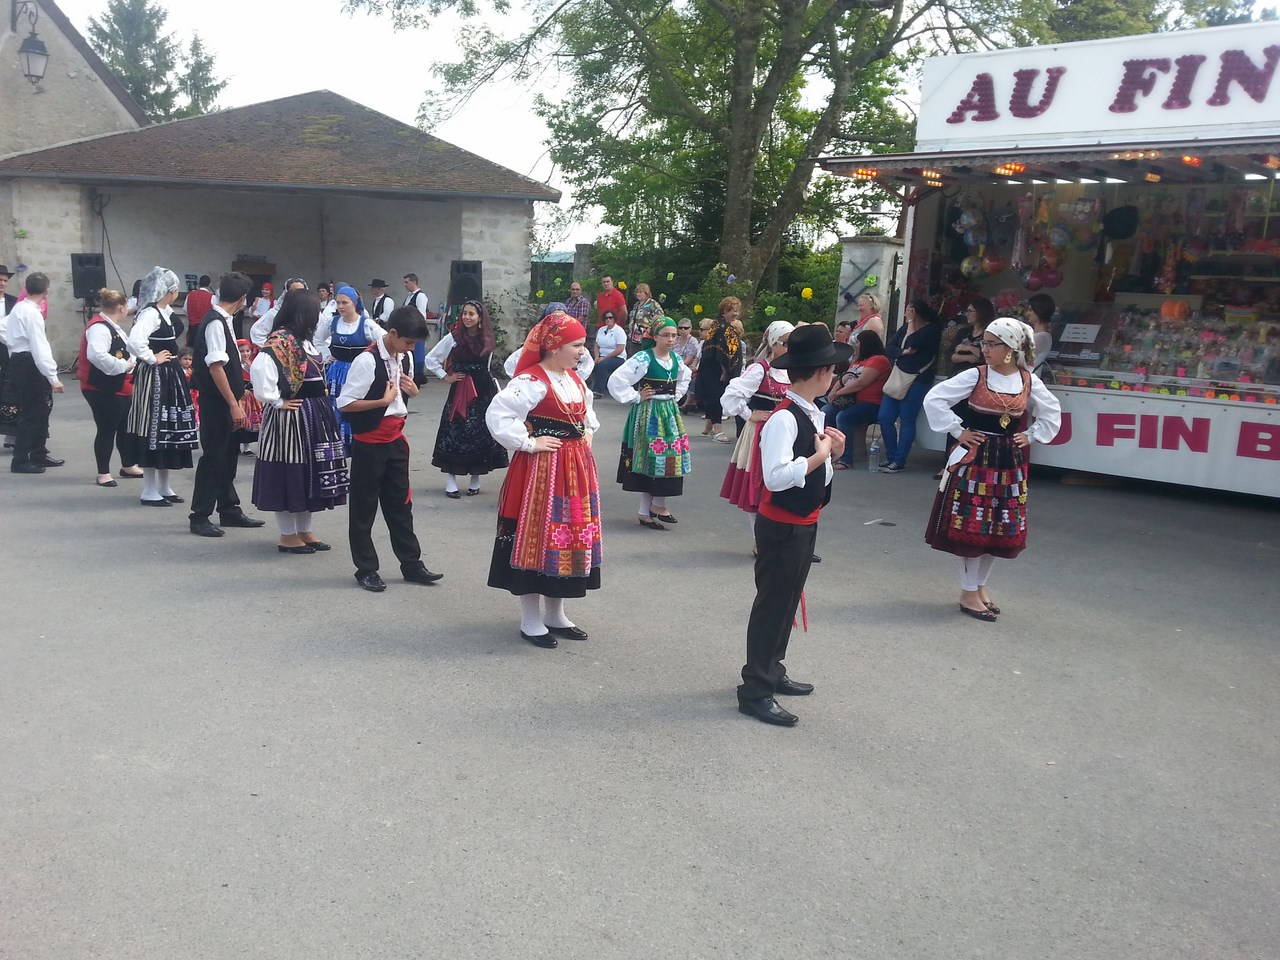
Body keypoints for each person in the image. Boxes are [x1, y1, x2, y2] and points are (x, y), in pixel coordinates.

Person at [736, 324, 850, 727]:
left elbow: (819, 480)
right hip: (782, 525)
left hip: (802, 521)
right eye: (832, 370)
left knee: (786, 601)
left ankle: (772, 669)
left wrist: (831, 455)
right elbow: (777, 477)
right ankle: (755, 690)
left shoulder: (810, 412)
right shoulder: (785, 418)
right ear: (820, 372)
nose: (833, 376)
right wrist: (820, 456)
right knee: (772, 605)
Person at [923, 318, 1061, 622]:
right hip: (977, 457)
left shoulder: (1028, 380)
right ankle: (967, 591)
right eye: (983, 343)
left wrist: (1033, 435)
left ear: (1011, 348)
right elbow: (935, 398)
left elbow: (1051, 411)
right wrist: (958, 431)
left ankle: (979, 588)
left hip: (1008, 461)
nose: (984, 349)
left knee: (998, 526)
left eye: (991, 343)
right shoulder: (976, 375)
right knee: (972, 525)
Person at [485, 312, 601, 648]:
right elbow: (498, 413)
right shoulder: (531, 381)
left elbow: (587, 415)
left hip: (574, 470)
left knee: (566, 538)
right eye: (577, 345)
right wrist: (527, 442)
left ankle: (555, 613)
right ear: (553, 346)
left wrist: (588, 432)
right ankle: (530, 618)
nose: (582, 351)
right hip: (541, 472)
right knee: (536, 536)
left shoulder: (574, 380)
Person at [337, 307, 442, 593]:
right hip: (369, 443)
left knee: (400, 506)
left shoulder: (404, 357)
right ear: (392, 333)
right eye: (408, 342)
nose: (411, 348)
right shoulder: (366, 361)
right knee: (364, 508)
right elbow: (344, 404)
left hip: (395, 440)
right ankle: (366, 568)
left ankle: (411, 564)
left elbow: (401, 397)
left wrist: (412, 393)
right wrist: (382, 401)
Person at [251, 289, 350, 555]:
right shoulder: (281, 341)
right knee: (289, 472)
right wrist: (275, 400)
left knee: (310, 473)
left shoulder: (302, 341)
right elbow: (260, 369)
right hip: (291, 418)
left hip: (314, 414)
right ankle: (287, 535)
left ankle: (304, 529)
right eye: (315, 311)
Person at [188, 271, 265, 537]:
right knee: (214, 456)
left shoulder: (225, 320)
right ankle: (199, 515)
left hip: (228, 399)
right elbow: (216, 367)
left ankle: (229, 509)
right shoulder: (215, 323)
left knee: (228, 455)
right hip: (217, 401)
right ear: (243, 298)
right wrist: (233, 403)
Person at [608, 315, 692, 529]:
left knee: (667, 458)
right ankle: (654, 507)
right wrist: (636, 397)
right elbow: (617, 380)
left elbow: (685, 377)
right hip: (648, 413)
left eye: (674, 335)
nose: (671, 339)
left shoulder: (676, 360)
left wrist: (676, 395)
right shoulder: (644, 358)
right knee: (651, 459)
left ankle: (647, 510)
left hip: (668, 413)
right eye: (666, 335)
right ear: (655, 336)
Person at [124, 267, 199, 503]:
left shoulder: (163, 310)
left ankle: (164, 486)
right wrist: (151, 358)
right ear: (171, 290)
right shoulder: (150, 314)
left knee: (168, 430)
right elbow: (134, 341)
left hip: (169, 375)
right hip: (156, 377)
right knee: (153, 428)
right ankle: (148, 489)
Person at [423, 298, 509, 498]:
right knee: (456, 430)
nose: (467, 317)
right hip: (461, 390)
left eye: (471, 314)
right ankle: (451, 480)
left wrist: (494, 392)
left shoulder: (487, 338)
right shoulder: (454, 337)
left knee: (480, 433)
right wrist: (447, 376)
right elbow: (431, 359)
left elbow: (487, 368)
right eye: (464, 314)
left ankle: (475, 479)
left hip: (483, 390)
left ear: (480, 318)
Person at [719, 320, 793, 538]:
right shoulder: (760, 369)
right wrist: (750, 415)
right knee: (759, 486)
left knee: (786, 484)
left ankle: (784, 538)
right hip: (762, 433)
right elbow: (731, 396)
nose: (791, 348)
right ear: (773, 343)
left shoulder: (794, 370)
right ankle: (759, 540)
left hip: (787, 433)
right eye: (786, 343)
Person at [77, 288, 141, 487]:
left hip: (118, 385)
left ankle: (128, 464)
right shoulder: (100, 328)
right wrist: (125, 366)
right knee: (107, 429)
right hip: (101, 387)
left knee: (124, 427)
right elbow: (96, 356)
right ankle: (103, 472)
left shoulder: (112, 326)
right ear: (122, 307)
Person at [5, 272, 64, 474]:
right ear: (46, 292)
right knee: (32, 412)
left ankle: (38, 452)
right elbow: (40, 347)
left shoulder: (18, 308)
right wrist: (53, 377)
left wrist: (14, 347)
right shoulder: (31, 313)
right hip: (29, 362)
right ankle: (20, 459)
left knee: (40, 409)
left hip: (20, 360)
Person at [877, 299, 943, 473]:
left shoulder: (932, 330)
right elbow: (889, 347)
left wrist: (912, 323)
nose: (906, 314)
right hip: (899, 376)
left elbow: (914, 342)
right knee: (885, 417)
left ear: (916, 312)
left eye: (909, 311)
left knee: (907, 419)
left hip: (918, 378)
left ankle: (899, 460)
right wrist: (903, 352)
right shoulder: (904, 328)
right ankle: (891, 455)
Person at [319, 284, 386, 447]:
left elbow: (385, 341)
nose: (340, 306)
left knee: (355, 407)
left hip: (359, 372)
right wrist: (326, 355)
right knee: (336, 408)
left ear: (354, 303)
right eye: (337, 303)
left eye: (344, 303)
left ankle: (357, 443)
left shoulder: (366, 324)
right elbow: (317, 339)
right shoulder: (332, 323)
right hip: (337, 372)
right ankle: (337, 445)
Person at [825, 329, 890, 469]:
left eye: (858, 342)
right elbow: (845, 376)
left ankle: (845, 459)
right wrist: (834, 390)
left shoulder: (879, 360)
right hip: (851, 401)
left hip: (872, 404)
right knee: (826, 412)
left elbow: (861, 382)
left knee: (844, 417)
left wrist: (839, 393)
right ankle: (828, 452)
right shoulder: (859, 360)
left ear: (867, 344)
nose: (856, 345)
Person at [695, 296, 743, 443]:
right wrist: (725, 371)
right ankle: (718, 431)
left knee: (714, 397)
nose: (736, 314)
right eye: (733, 311)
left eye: (737, 311)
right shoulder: (723, 328)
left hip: (710, 369)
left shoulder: (718, 325)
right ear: (724, 310)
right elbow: (721, 353)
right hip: (716, 370)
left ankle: (709, 427)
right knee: (717, 398)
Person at [250, 277, 307, 347]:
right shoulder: (275, 313)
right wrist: (274, 350)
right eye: (293, 291)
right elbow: (257, 332)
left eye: (301, 291)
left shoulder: (310, 313)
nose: (298, 294)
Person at [948, 297, 995, 376]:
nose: (967, 314)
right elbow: (951, 355)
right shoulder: (963, 332)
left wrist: (969, 348)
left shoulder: (991, 333)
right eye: (967, 311)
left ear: (982, 312)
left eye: (970, 311)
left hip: (980, 377)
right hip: (958, 375)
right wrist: (969, 358)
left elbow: (989, 356)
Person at [590, 309, 626, 398]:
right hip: (602, 356)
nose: (608, 320)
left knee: (603, 365)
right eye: (606, 318)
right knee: (589, 363)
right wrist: (596, 357)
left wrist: (605, 358)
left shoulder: (619, 331)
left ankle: (598, 391)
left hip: (617, 357)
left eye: (610, 318)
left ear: (614, 319)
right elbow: (596, 345)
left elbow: (620, 349)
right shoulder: (601, 330)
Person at [403, 272, 431, 382]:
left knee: (417, 353)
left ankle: (419, 375)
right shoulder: (409, 296)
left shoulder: (420, 296)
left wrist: (417, 329)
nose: (405, 285)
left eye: (407, 282)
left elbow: (421, 314)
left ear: (414, 282)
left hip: (416, 329)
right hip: (409, 329)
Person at [0, 265, 17, 448]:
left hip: (7, 350)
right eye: (0, 280)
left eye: (5, 280)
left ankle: (11, 435)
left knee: (9, 394)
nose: (2, 283)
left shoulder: (13, 302)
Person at [237, 339, 262, 455]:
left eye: (247, 351)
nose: (245, 354)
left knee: (251, 422)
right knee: (240, 422)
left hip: (252, 397)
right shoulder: (235, 366)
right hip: (241, 399)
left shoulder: (253, 364)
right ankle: (237, 444)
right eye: (242, 351)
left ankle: (247, 446)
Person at [626, 282, 663, 356]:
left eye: (640, 292)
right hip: (634, 338)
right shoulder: (636, 305)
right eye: (637, 292)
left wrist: (651, 327)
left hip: (646, 337)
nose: (638, 294)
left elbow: (660, 316)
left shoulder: (652, 303)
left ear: (646, 293)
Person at [1027, 293, 1056, 378]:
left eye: (1030, 310)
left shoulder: (1042, 337)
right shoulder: (1038, 335)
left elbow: (1020, 356)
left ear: (1039, 311)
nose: (1028, 313)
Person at [674, 318, 701, 409]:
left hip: (686, 367)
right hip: (675, 364)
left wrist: (676, 367)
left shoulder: (692, 341)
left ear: (690, 329)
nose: (683, 330)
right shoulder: (675, 340)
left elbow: (689, 359)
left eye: (686, 328)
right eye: (680, 327)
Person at [183, 276, 213, 348]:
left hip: (192, 327)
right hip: (205, 327)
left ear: (199, 283)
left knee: (191, 350)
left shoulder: (190, 295)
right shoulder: (212, 297)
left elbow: (185, 310)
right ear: (209, 284)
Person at [595, 275, 627, 341]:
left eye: (608, 281)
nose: (606, 284)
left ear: (612, 282)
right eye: (604, 282)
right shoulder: (600, 296)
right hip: (602, 327)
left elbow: (624, 312)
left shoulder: (618, 295)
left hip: (614, 328)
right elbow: (599, 311)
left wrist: (620, 324)